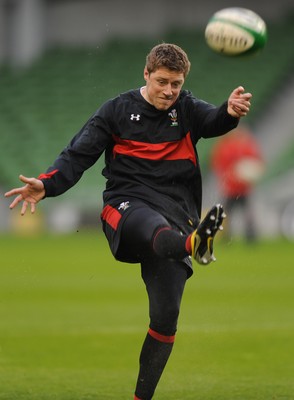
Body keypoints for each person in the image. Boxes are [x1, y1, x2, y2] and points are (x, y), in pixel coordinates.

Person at [4, 43, 252, 399]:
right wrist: (46, 183)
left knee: (166, 317)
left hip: (176, 211)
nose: (169, 91)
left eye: (177, 83)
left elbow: (213, 120)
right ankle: (194, 243)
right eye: (163, 81)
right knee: (149, 223)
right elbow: (78, 154)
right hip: (127, 203)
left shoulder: (185, 108)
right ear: (146, 74)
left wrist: (230, 113)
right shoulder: (117, 110)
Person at [210, 127, 264, 241]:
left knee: (246, 213)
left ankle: (250, 236)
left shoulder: (246, 146)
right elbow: (218, 164)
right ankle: (227, 236)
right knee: (227, 214)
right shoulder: (226, 146)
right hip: (231, 188)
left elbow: (256, 163)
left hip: (243, 188)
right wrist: (228, 177)